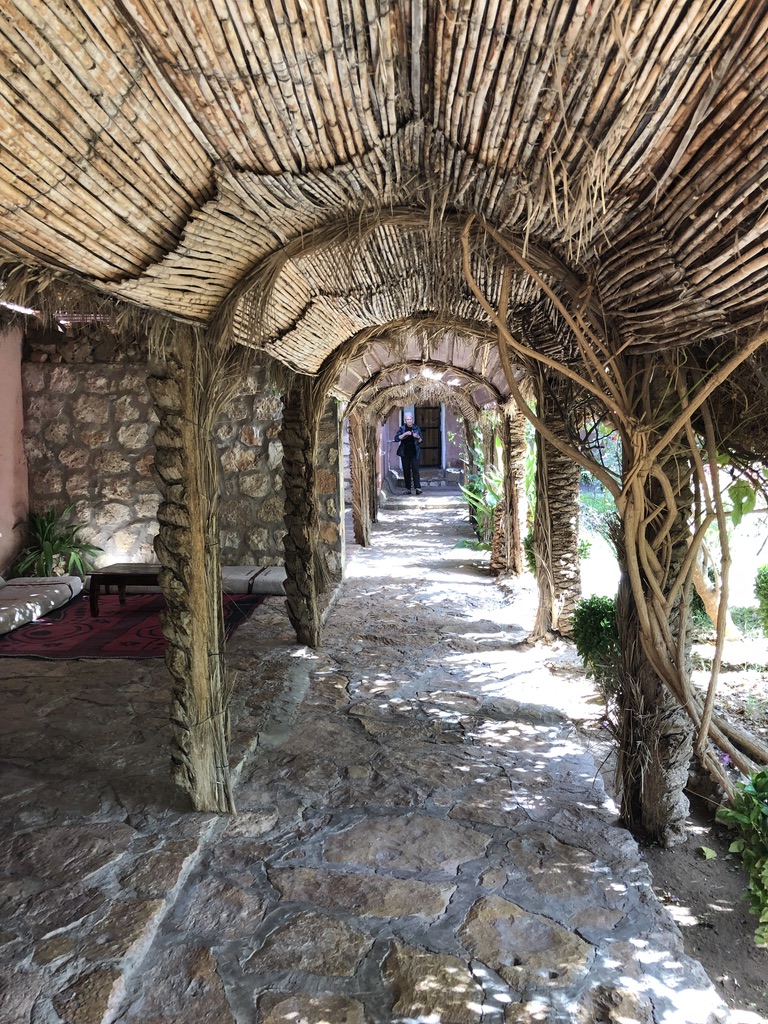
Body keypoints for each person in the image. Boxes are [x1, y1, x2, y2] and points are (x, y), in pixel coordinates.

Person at [393, 412, 423, 495]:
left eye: (410, 419)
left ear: (412, 419)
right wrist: (405, 434)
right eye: (408, 419)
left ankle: (418, 488)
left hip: (415, 452)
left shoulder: (416, 428)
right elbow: (396, 439)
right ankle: (408, 489)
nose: (409, 421)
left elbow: (421, 440)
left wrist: (417, 437)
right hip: (405, 452)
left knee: (415, 470)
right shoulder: (402, 428)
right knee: (406, 471)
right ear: (405, 420)